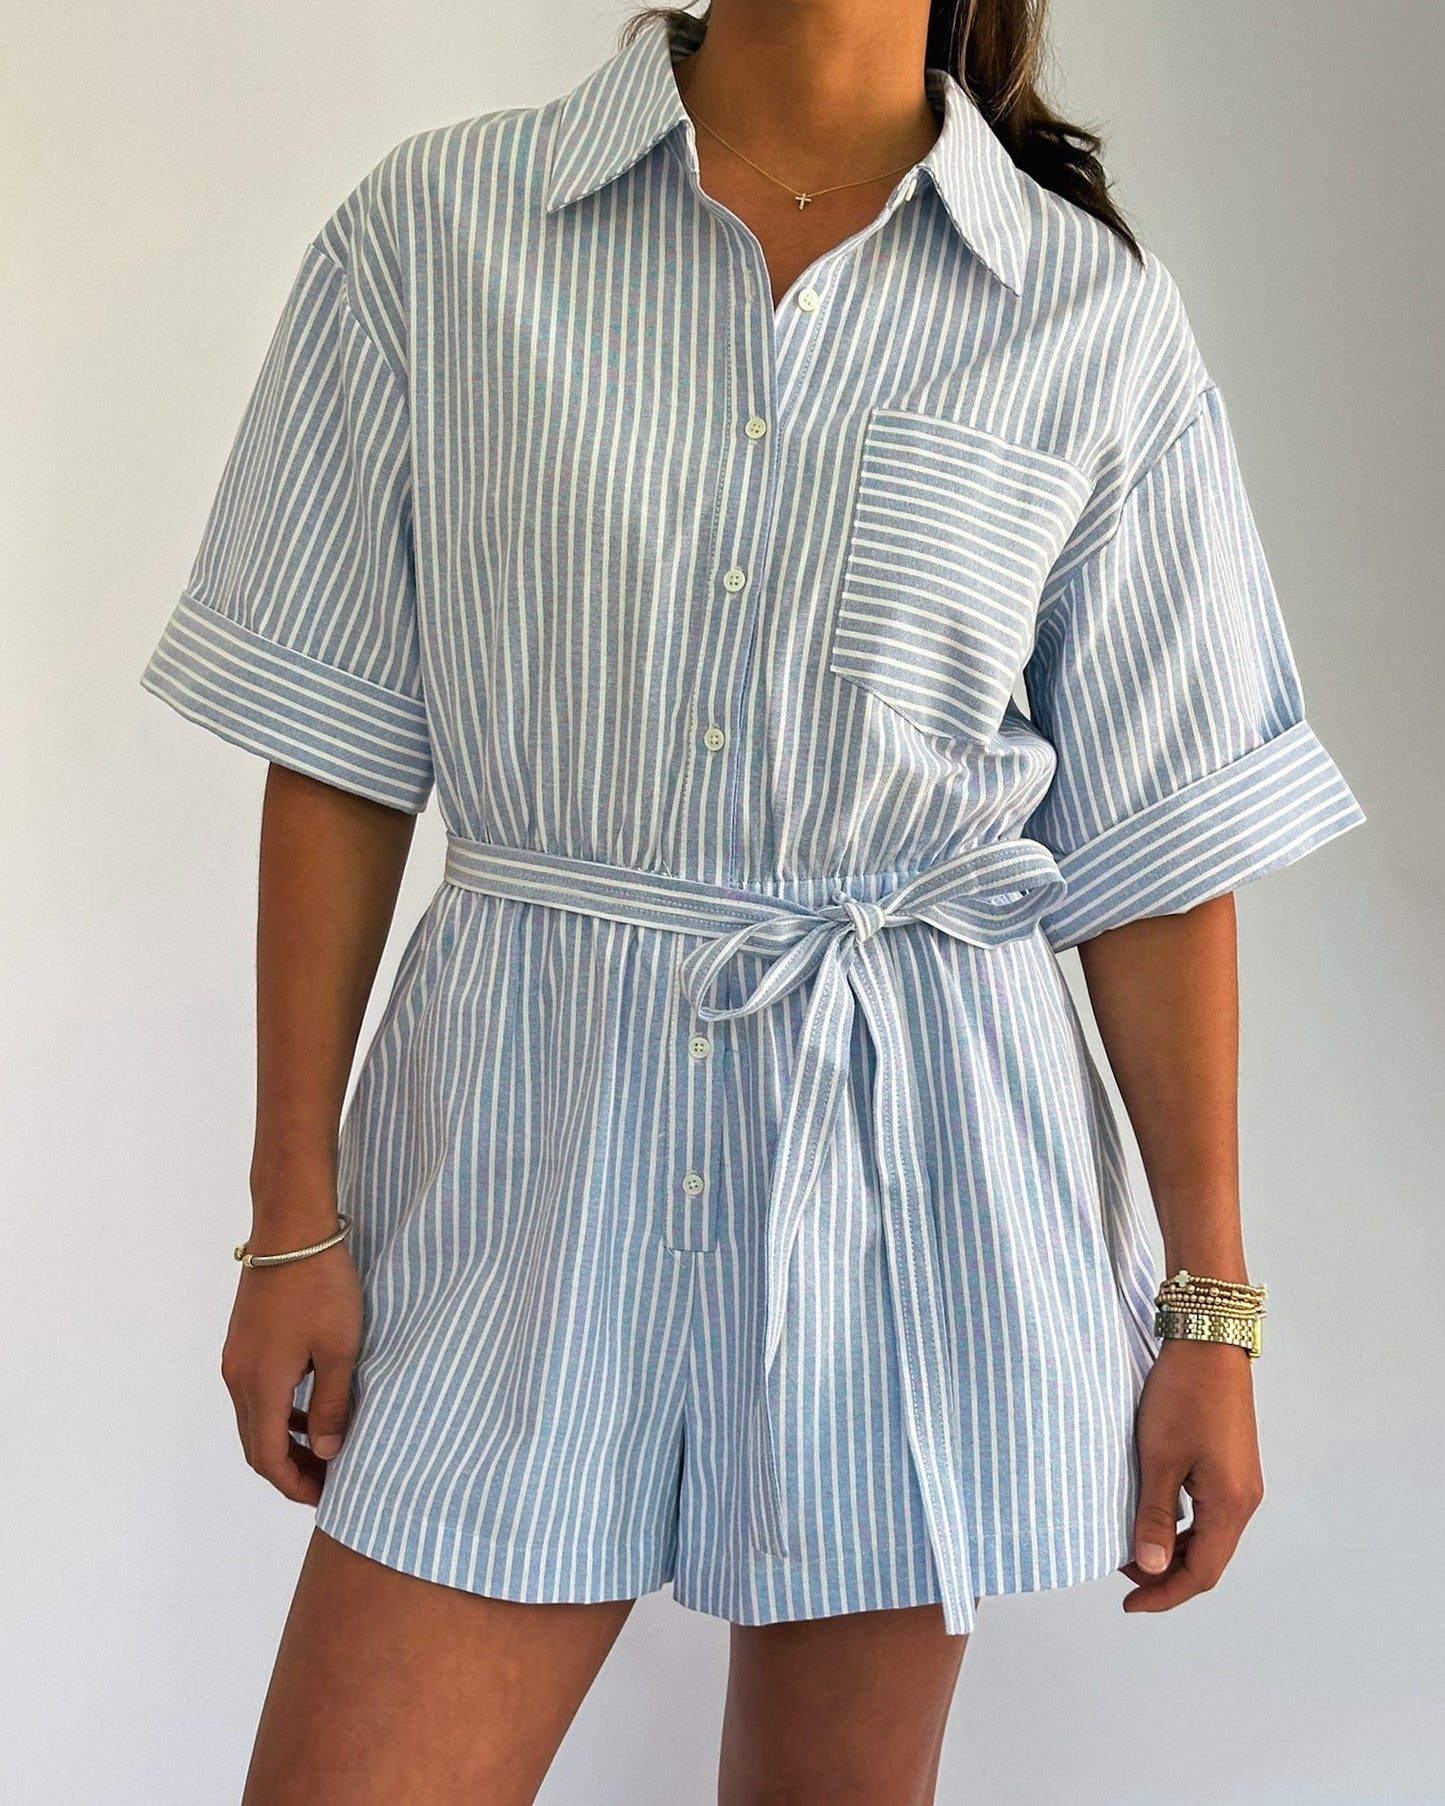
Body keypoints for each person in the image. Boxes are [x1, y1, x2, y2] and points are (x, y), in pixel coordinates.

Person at [137, 2, 1367, 1801]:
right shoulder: (440, 234)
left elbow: (1161, 852)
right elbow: (335, 746)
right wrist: (286, 1211)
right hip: (516, 1167)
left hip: (912, 1182)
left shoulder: (1082, 317)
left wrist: (1211, 1313)